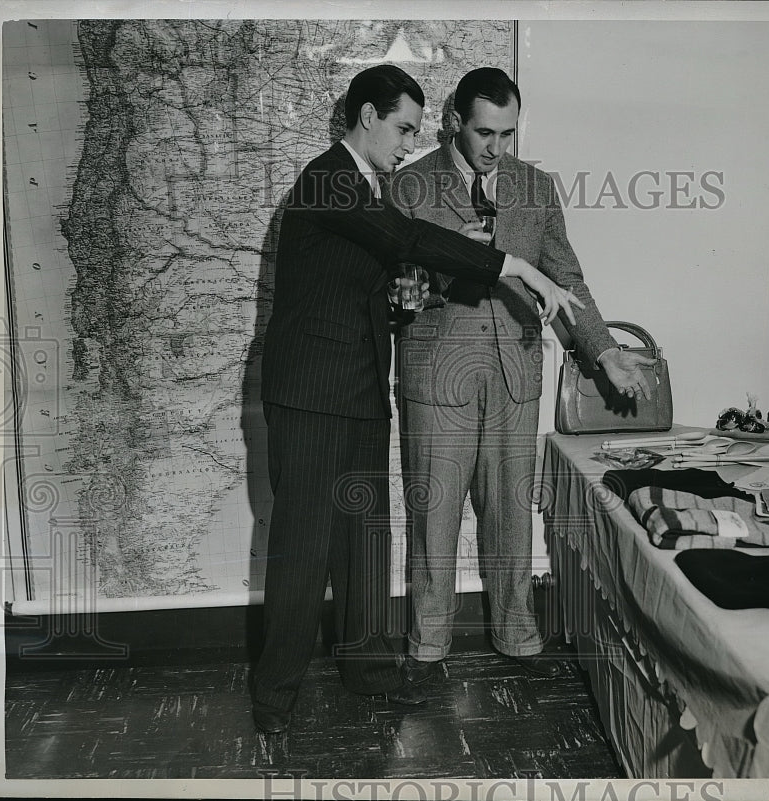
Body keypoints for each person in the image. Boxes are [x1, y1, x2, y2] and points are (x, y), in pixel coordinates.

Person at [252, 64, 584, 734]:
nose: (409, 140)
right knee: (302, 550)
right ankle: (274, 698)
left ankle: (370, 672)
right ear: (368, 115)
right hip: (312, 393)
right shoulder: (330, 176)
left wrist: (429, 282)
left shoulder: (368, 185)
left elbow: (395, 281)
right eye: (403, 125)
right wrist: (509, 264)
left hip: (361, 387)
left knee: (362, 545)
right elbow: (403, 239)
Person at [390, 67, 657, 682]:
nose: (496, 148)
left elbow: (568, 279)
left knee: (511, 508)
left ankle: (514, 625)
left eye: (507, 134)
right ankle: (429, 638)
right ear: (455, 122)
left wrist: (604, 352)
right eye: (484, 133)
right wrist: (450, 255)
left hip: (515, 373)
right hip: (437, 377)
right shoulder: (409, 187)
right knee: (434, 512)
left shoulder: (535, 188)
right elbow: (397, 294)